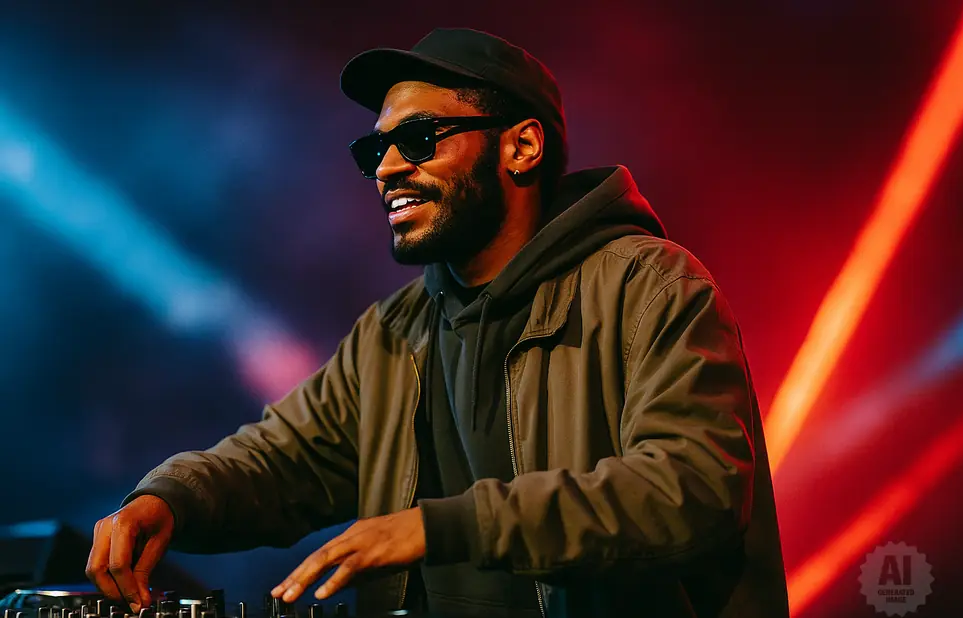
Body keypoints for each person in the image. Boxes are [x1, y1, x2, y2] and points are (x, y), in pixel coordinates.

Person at [86, 28, 789, 618]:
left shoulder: (648, 284)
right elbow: (285, 458)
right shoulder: (393, 331)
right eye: (375, 150)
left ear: (521, 148)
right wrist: (169, 499)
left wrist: (444, 527)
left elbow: (689, 490)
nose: (387, 168)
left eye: (420, 138)